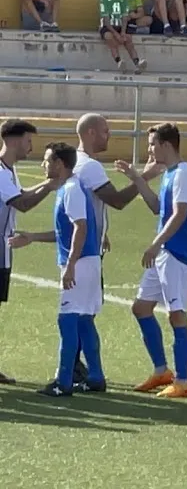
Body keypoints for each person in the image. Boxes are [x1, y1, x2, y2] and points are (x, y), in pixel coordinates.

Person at [68, 113, 162, 385]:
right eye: (104, 131)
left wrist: (103, 231)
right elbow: (118, 201)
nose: (109, 135)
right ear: (90, 133)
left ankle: (76, 366)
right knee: (83, 314)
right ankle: (85, 371)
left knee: (78, 312)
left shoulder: (78, 162)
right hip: (86, 252)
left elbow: (88, 205)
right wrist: (144, 177)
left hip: (82, 247)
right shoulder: (90, 167)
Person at [10, 143, 105, 397]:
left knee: (67, 319)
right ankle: (95, 377)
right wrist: (32, 237)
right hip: (88, 261)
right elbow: (67, 232)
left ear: (60, 164)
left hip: (80, 263)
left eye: (47, 160)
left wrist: (71, 265)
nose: (43, 164)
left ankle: (63, 383)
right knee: (84, 320)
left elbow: (81, 228)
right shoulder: (71, 188)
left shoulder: (71, 189)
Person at [115, 123, 187, 399]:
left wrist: (155, 244)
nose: (149, 149)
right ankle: (162, 371)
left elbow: (179, 214)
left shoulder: (183, 173)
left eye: (152, 144)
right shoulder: (169, 173)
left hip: (177, 254)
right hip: (164, 253)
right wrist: (137, 178)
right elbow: (157, 208)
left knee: (177, 315)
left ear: (166, 145)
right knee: (141, 308)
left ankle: (183, 382)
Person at [0, 119, 61, 385]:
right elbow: (22, 204)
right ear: (13, 140)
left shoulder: (8, 170)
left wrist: (47, 183)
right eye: (28, 140)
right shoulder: (0, 171)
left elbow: (21, 193)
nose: (30, 147)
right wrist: (49, 186)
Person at [99, 0, 146, 74]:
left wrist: (123, 32)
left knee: (128, 39)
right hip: (109, 26)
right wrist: (116, 34)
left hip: (120, 26)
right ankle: (119, 62)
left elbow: (125, 17)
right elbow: (106, 19)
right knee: (109, 37)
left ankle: (137, 64)